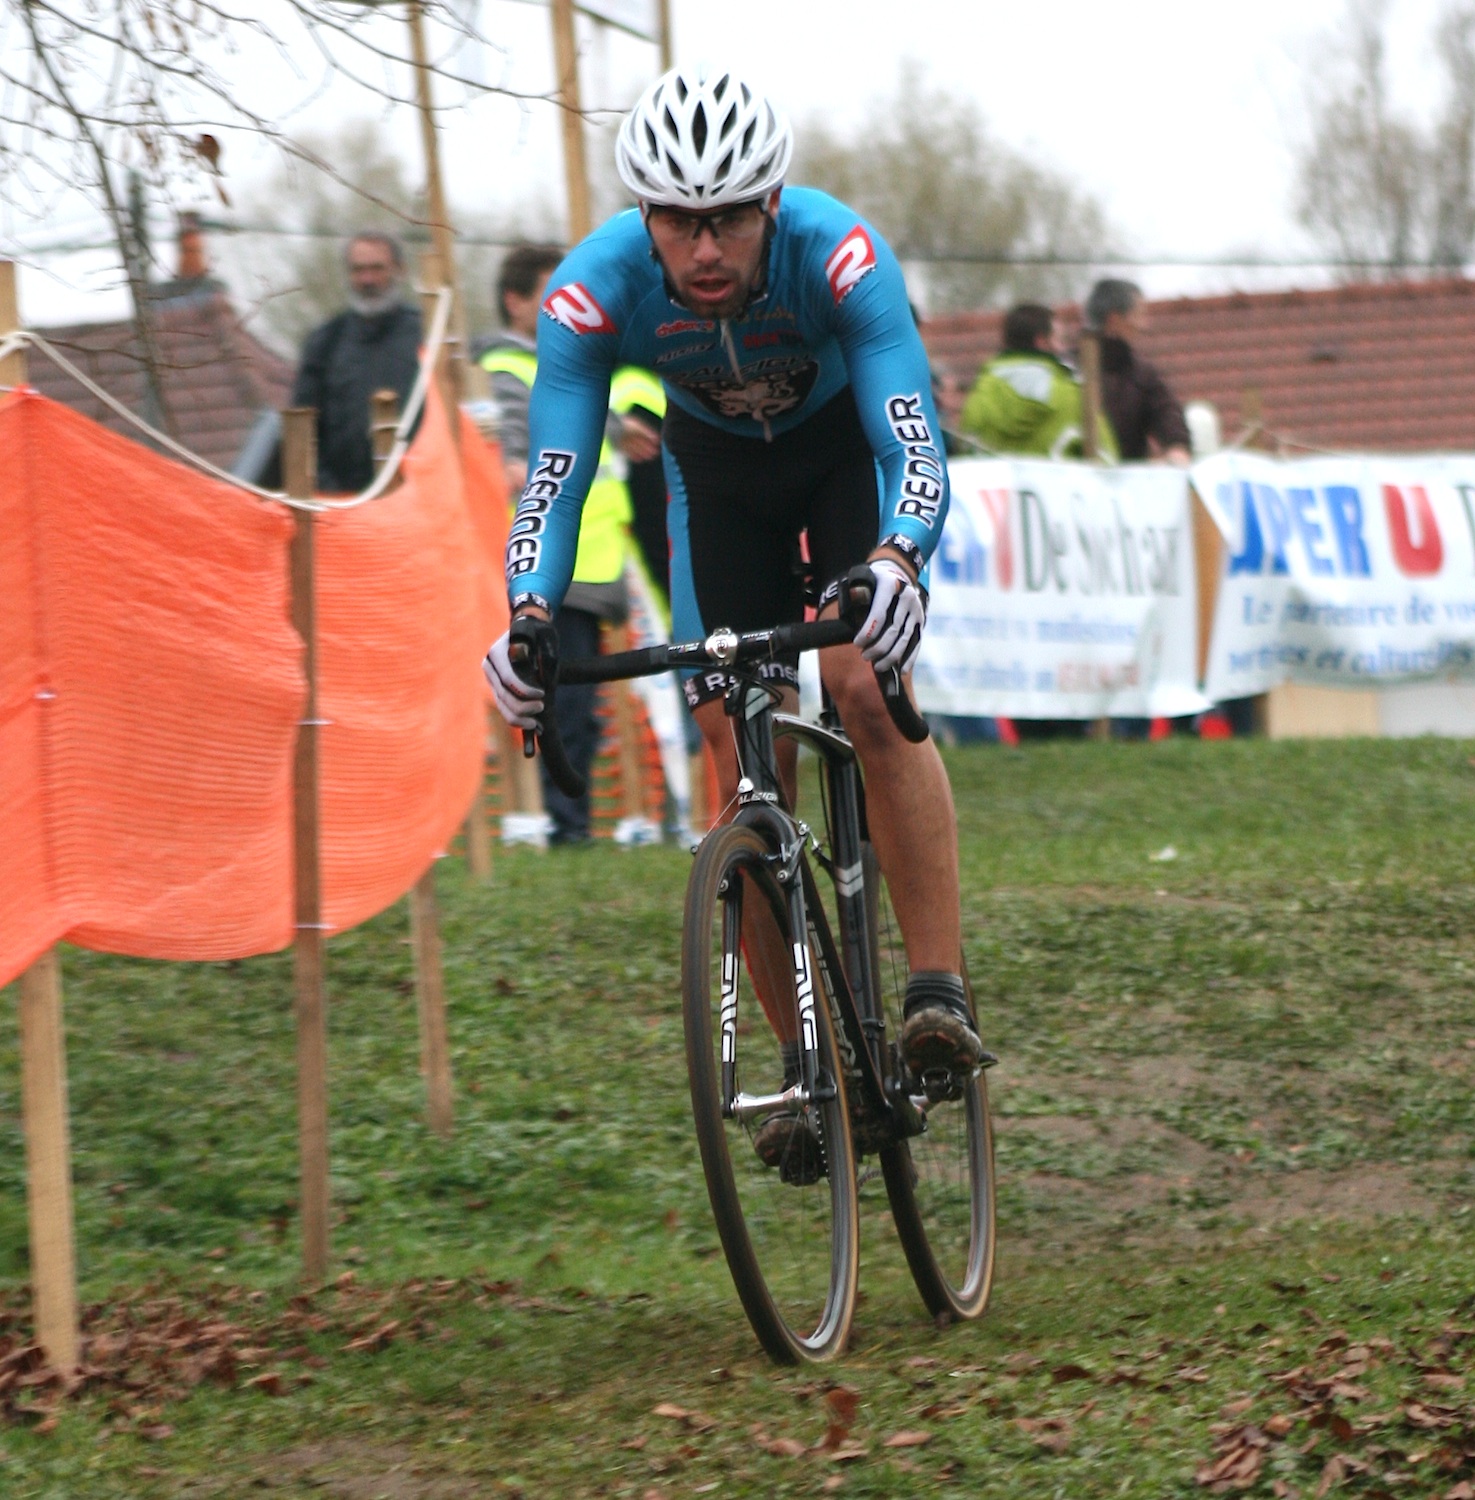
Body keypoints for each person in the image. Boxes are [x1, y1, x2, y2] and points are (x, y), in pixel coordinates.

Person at [482, 64, 984, 1159]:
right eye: (675, 221)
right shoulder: (592, 290)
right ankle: (813, 1075)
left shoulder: (840, 257)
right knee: (734, 750)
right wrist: (527, 612)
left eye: (724, 221)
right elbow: (553, 476)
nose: (702, 251)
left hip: (841, 461)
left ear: (769, 205)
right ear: (643, 217)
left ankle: (936, 990)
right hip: (716, 486)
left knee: (859, 680)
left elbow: (910, 436)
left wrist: (898, 557)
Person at [481, 245, 667, 844]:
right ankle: (570, 826)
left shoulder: (588, 355)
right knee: (570, 702)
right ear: (516, 301)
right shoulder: (511, 362)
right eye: (548, 291)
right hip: (554, 564)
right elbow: (526, 426)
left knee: (582, 703)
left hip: (600, 555)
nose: (567, 302)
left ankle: (574, 823)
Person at [290, 232, 422, 494]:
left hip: (418, 495)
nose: (368, 280)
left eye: (377, 269)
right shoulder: (325, 342)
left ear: (399, 270)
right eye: (359, 270)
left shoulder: (427, 334)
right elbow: (303, 429)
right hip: (345, 502)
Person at [960, 302, 1117, 459]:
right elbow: (1106, 464)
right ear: (1041, 341)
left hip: (997, 484)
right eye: (1060, 340)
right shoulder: (1074, 395)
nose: (1064, 348)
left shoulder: (978, 393)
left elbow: (965, 457)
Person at [1083, 279, 1190, 465]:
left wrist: (1176, 447)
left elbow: (1167, 414)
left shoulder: (1143, 375)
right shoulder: (1067, 370)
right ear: (1115, 320)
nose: (1144, 326)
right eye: (1139, 315)